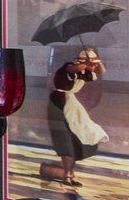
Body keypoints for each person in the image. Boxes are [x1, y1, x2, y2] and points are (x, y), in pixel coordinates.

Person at [42, 49, 106, 189]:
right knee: (65, 140)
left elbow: (101, 71)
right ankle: (67, 175)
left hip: (71, 104)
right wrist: (86, 63)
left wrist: (96, 62)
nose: (93, 67)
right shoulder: (69, 67)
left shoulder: (85, 73)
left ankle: (70, 173)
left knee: (76, 139)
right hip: (59, 104)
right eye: (91, 64)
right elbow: (74, 68)